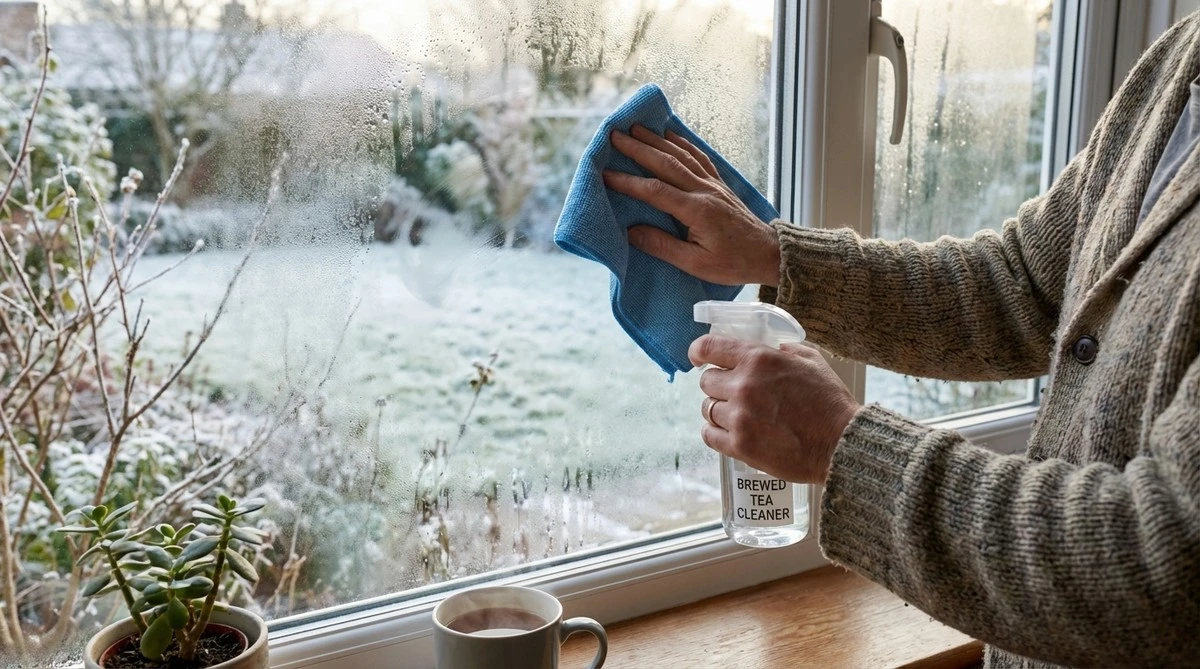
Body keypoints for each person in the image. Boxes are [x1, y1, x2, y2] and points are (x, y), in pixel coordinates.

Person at [601, 13, 1200, 669]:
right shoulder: (1179, 59)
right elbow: (1022, 284)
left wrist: (843, 445)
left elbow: (1166, 564)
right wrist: (776, 255)